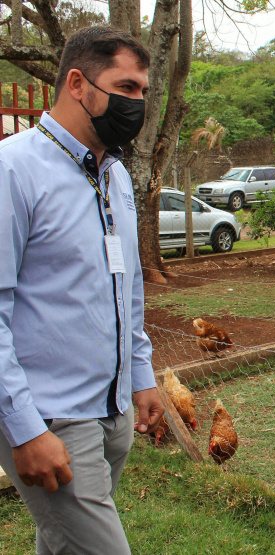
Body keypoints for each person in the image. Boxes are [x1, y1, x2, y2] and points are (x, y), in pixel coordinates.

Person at [0, 26, 163, 553]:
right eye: (126, 87)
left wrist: (141, 375)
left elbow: (128, 286)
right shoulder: (13, 170)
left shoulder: (113, 174)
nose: (136, 102)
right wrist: (25, 430)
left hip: (112, 412)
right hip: (49, 416)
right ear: (77, 82)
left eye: (143, 91)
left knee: (62, 543)